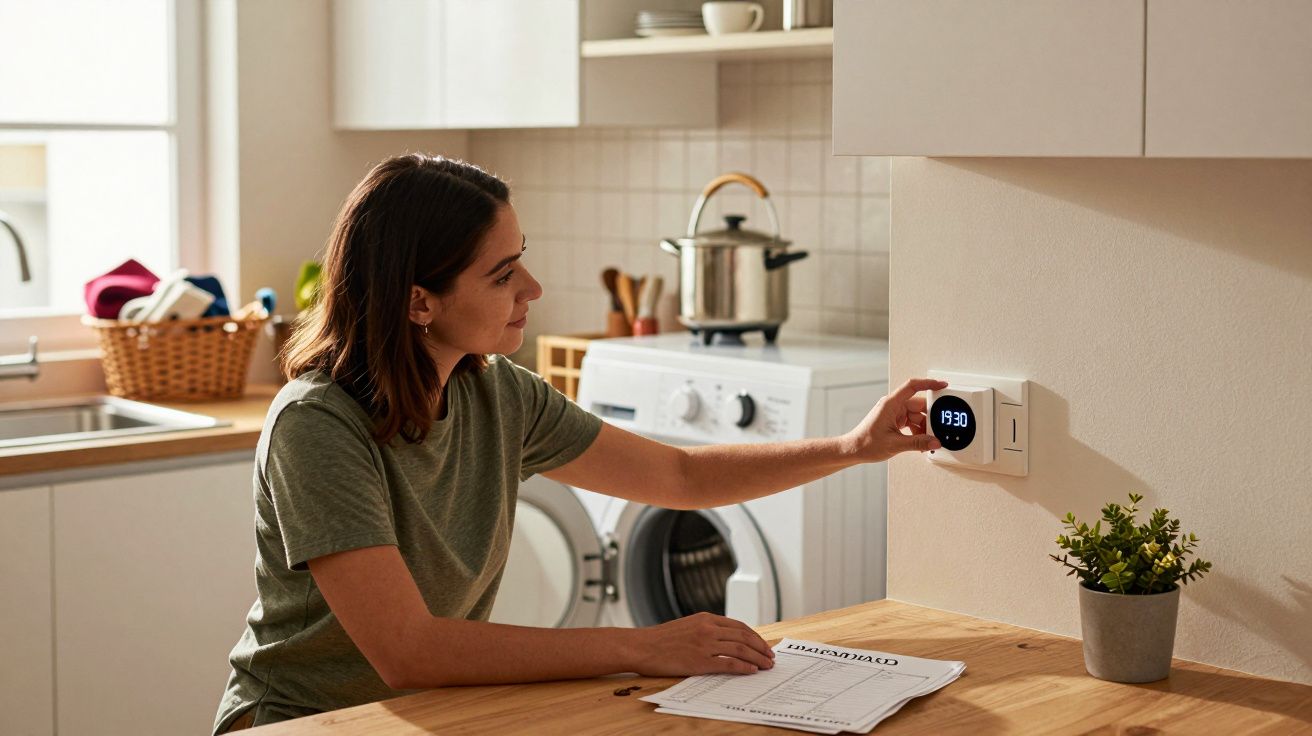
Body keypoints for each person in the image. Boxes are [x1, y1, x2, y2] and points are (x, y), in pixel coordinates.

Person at [211, 153, 945, 733]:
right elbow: (409, 650)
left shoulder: (496, 390)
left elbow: (681, 477)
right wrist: (644, 644)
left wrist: (853, 447)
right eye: (502, 273)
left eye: (521, 258)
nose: (532, 286)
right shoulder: (317, 425)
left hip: (426, 714)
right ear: (418, 301)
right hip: (301, 722)